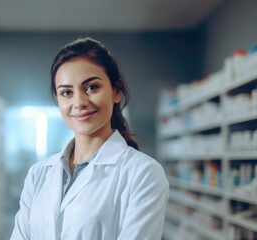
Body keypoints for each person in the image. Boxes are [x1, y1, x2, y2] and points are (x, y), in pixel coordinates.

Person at [10, 37, 169, 240]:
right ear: (58, 100)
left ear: (116, 91)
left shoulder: (144, 174)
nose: (79, 102)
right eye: (66, 92)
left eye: (91, 87)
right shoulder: (38, 174)